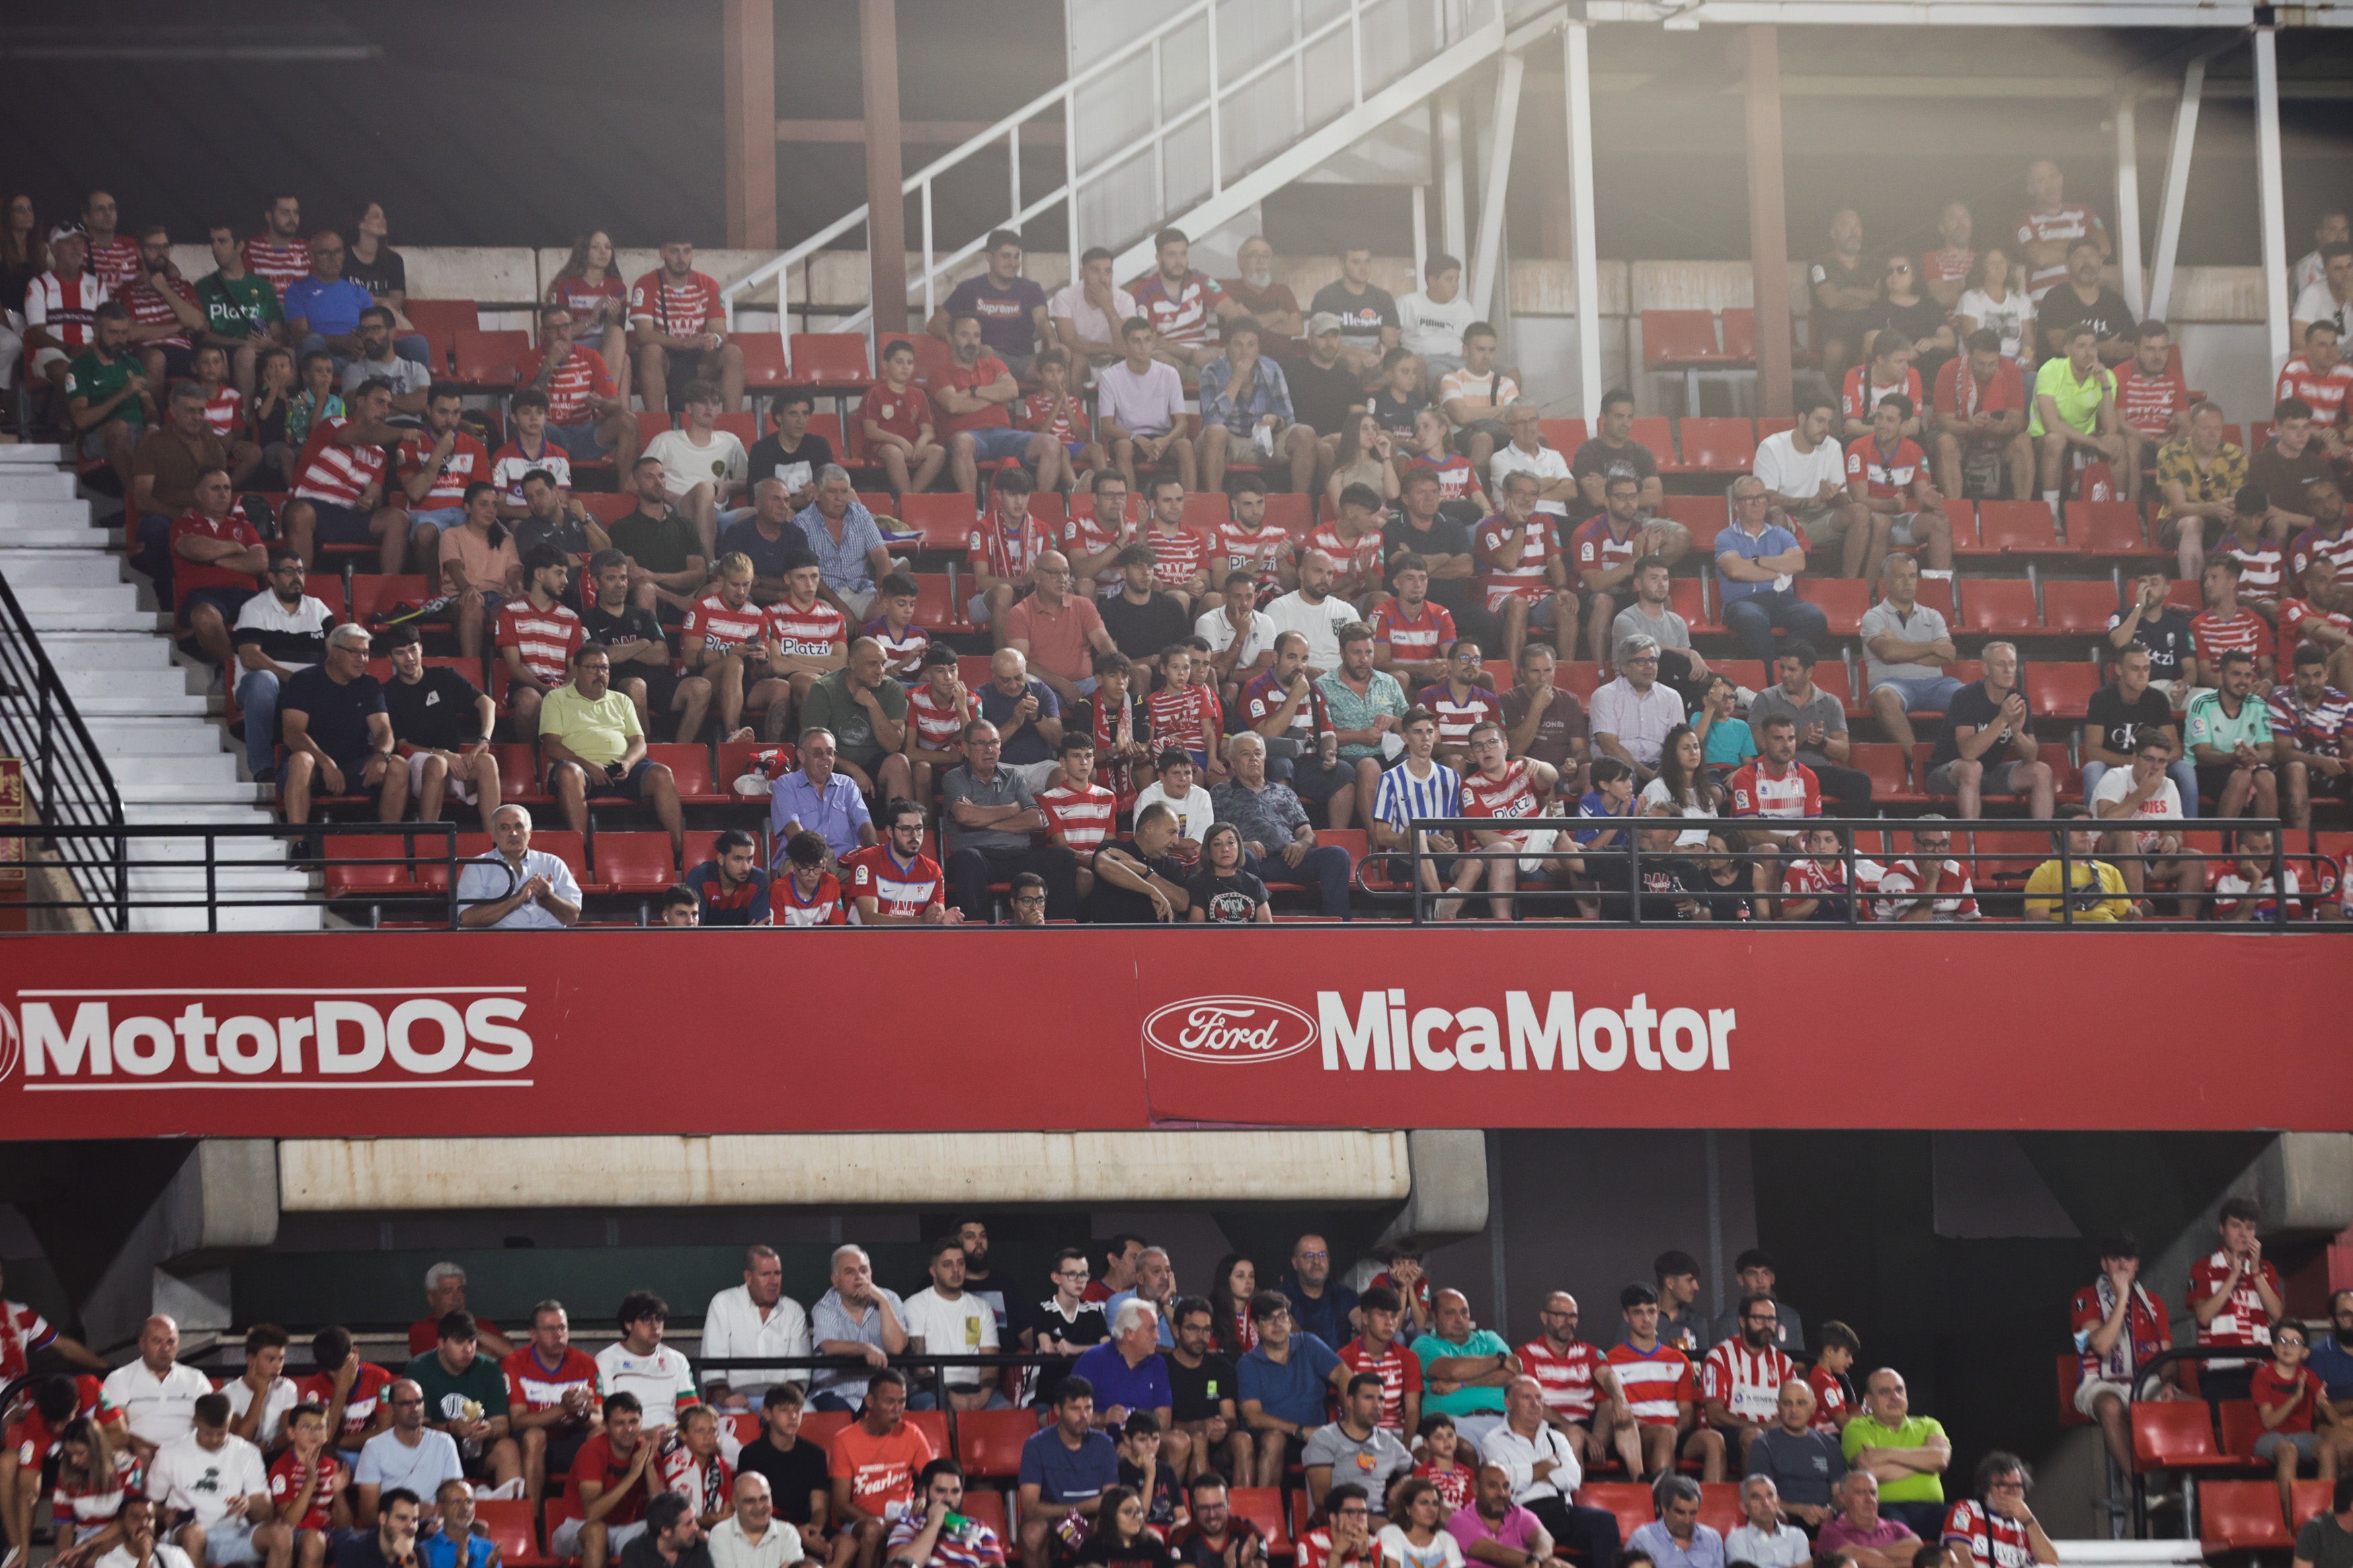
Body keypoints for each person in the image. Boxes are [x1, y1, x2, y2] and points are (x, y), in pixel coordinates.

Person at [543, 643, 686, 863]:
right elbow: (551, 746)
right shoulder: (556, 699)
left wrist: (628, 763)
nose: (600, 674)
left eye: (605, 668)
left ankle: (679, 853)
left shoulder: (622, 700)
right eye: (593, 668)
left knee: (662, 773)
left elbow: (640, 742)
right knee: (569, 773)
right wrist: (588, 765)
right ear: (577, 671)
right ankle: (585, 856)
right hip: (580, 769)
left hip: (621, 768)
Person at [1211, 733, 1353, 917]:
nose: (1254, 758)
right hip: (1252, 861)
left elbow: (1308, 834)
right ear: (1232, 762)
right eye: (1245, 754)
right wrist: (1241, 845)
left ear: (1265, 757)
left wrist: (1302, 844)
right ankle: (1250, 928)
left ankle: (1340, 928)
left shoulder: (1285, 793)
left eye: (1258, 753)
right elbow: (1215, 835)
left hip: (1289, 859)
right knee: (1243, 857)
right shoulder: (1221, 793)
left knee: (1337, 855)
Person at [936, 313, 1065, 497]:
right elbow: (953, 405)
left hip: (1004, 435)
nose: (972, 341)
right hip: (970, 437)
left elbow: (1012, 390)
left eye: (976, 335)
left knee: (1051, 443)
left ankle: (1037, 508)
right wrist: (994, 395)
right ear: (950, 338)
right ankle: (971, 511)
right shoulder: (941, 371)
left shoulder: (995, 364)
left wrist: (972, 392)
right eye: (964, 335)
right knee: (962, 442)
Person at [1919, 642, 2052, 819]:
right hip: (1946, 773)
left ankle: (2044, 842)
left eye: (2012, 664)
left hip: (1990, 773)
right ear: (1986, 669)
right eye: (2001, 664)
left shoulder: (2019, 699)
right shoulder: (1966, 697)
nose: (2008, 670)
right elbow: (1968, 753)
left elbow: (2031, 757)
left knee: (2042, 771)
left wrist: (2017, 733)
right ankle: (1972, 842)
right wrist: (2002, 719)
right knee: (1972, 768)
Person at [381, 626, 499, 825]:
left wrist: (484, 739)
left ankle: (495, 844)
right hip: (415, 766)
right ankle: (427, 843)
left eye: (413, 650)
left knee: (487, 762)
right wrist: (443, 754)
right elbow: (404, 746)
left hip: (451, 762)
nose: (409, 658)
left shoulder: (444, 676)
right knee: (437, 763)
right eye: (400, 653)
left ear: (421, 649)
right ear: (390, 658)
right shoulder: (388, 692)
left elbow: (487, 703)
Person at [1607, 1285, 1716, 1483]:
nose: (1646, 1319)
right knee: (1664, 1432)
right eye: (1638, 1313)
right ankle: (1664, 1502)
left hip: (1675, 1432)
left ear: (1658, 1313)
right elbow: (1607, 1410)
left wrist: (1675, 1431)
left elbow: (1686, 1412)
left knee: (1714, 1441)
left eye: (1651, 1311)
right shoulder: (1611, 1361)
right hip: (1637, 1436)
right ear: (1626, 1317)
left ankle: (1711, 1513)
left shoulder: (1678, 1360)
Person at [1714, 481, 1830, 667]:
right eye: (1749, 498)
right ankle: (1773, 679)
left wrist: (1757, 561)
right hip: (1743, 601)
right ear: (1736, 503)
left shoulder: (1781, 534)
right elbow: (1735, 570)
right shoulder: (1726, 537)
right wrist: (1778, 568)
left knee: (1815, 618)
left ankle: (1784, 665)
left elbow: (1798, 563)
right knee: (1753, 618)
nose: (1756, 503)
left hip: (1781, 599)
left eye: (1761, 497)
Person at [1199, 320, 1314, 495]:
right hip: (1229, 443)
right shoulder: (1212, 371)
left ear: (1259, 348)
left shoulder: (1272, 368)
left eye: (1251, 345)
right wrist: (1236, 379)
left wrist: (1276, 422)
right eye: (1238, 345)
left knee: (1305, 434)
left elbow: (1288, 418)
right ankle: (1214, 504)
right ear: (1227, 347)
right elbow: (1210, 422)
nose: (1245, 352)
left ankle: (1297, 505)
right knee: (1216, 432)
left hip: (1263, 440)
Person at [629, 238, 741, 413]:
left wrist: (714, 339)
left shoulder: (708, 284)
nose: (681, 258)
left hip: (697, 355)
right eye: (674, 251)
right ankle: (657, 426)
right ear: (662, 252)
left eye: (687, 251)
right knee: (651, 352)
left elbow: (721, 332)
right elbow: (644, 335)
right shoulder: (646, 283)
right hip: (663, 357)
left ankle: (733, 429)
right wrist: (684, 343)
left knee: (734, 353)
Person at [1016, 1379, 1119, 1568]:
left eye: (1088, 1408)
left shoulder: (1105, 1444)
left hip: (1093, 1519)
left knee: (1107, 1527)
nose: (1084, 1416)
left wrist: (1083, 1512)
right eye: (1075, 1409)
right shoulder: (1036, 1446)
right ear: (1058, 1410)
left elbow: (1111, 1502)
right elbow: (1030, 1508)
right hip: (1052, 1520)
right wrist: (1082, 1508)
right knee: (1032, 1532)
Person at [552, 1393, 659, 1568]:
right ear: (606, 1426)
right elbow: (593, 1514)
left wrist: (649, 1466)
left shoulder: (645, 1450)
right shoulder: (592, 1450)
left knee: (665, 1530)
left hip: (622, 1530)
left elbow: (662, 1508)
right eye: (619, 1423)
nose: (629, 1429)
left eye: (633, 1421)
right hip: (577, 1528)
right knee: (597, 1530)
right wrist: (633, 1474)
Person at [1837, 1373, 1949, 1539]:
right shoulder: (1856, 1428)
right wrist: (1924, 1461)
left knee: (1963, 1522)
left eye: (1899, 1390)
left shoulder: (1929, 1425)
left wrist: (1887, 1453)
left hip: (1932, 1508)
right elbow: (1869, 1471)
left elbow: (1940, 1460)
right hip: (1884, 1507)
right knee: (1895, 1530)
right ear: (1868, 1400)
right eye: (1885, 1392)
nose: (1894, 1397)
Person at [2030, 323, 2123, 511]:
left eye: (2093, 346)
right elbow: (2052, 424)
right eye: (2081, 346)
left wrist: (2105, 384)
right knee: (2056, 440)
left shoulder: (2107, 376)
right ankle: (2051, 513)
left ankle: (2119, 511)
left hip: (2083, 441)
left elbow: (2111, 428)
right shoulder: (2051, 370)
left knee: (2117, 441)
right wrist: (2094, 442)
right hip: (2044, 440)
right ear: (2067, 350)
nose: (2089, 353)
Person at [929, 229, 1049, 376]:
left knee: (1055, 364)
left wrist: (1053, 342)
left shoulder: (1032, 289)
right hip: (987, 358)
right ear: (990, 257)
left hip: (1026, 360)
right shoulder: (969, 289)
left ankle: (1061, 400)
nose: (1013, 263)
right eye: (1006, 256)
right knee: (988, 357)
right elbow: (934, 325)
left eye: (1016, 257)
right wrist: (966, 342)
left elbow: (1042, 321)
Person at [2156, 403, 2249, 583]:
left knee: (2243, 522)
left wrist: (2231, 512)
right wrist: (2213, 508)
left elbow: (2239, 500)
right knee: (2194, 523)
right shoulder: (2170, 454)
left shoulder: (2236, 456)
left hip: (2220, 521)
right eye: (2206, 428)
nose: (2213, 435)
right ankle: (2193, 594)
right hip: (2176, 524)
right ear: (2192, 429)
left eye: (2217, 429)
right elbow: (2178, 507)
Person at [734, 1387, 831, 1559]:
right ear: (767, 1413)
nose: (793, 1416)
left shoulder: (815, 1454)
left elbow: (819, 1506)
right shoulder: (751, 1454)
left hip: (807, 1526)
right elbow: (751, 1510)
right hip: (769, 1529)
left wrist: (813, 1531)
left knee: (848, 1543)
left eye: (797, 1410)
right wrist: (795, 1532)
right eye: (784, 1410)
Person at [454, 804, 582, 930]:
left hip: (551, 942)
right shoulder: (478, 866)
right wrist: (515, 900)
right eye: (504, 828)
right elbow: (467, 919)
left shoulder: (553, 863)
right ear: (493, 835)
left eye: (519, 826)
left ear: (530, 832)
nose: (513, 833)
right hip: (499, 944)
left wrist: (548, 897)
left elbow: (572, 918)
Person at [1302, 1376, 1412, 1513]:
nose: (1377, 1406)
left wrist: (1406, 1480)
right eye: (1368, 1398)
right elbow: (1322, 1501)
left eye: (1381, 1399)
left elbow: (1422, 1470)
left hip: (1379, 1517)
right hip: (1338, 1520)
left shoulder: (1387, 1440)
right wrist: (1367, 1520)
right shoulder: (1324, 1439)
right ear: (1351, 1402)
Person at [841, 798, 957, 927]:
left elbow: (934, 916)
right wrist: (920, 921)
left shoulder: (933, 871)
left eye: (919, 829)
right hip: (865, 942)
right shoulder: (867, 860)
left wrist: (942, 920)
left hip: (910, 943)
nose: (914, 836)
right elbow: (869, 919)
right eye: (906, 829)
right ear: (890, 832)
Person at [1745, 1383, 1844, 1528]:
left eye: (1801, 1403)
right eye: (1787, 1403)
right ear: (1778, 1407)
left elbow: (1839, 1494)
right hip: (1783, 1523)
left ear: (1813, 1406)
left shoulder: (1830, 1444)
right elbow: (1761, 1499)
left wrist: (1829, 1511)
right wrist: (1802, 1510)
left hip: (1828, 1521)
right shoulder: (1763, 1444)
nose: (1794, 1410)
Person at [1590, 636, 1685, 786]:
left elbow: (1678, 742)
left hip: (1659, 765)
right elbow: (1609, 746)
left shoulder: (1671, 697)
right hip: (1618, 765)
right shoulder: (1605, 695)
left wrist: (1662, 771)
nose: (1649, 666)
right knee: (1623, 780)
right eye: (1641, 661)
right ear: (1624, 668)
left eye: (1653, 660)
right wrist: (1647, 774)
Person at [2022, 806, 2136, 922]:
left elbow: (2124, 918)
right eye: (2078, 827)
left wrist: (2133, 914)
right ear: (2059, 831)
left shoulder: (2111, 872)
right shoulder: (2044, 873)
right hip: (2068, 937)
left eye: (2088, 827)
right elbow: (2039, 921)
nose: (2085, 833)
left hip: (2109, 936)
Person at [884, 1458, 1004, 1568]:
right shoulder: (908, 1526)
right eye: (941, 1491)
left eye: (955, 1492)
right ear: (925, 1491)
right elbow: (900, 1565)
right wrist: (933, 1526)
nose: (948, 1499)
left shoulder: (979, 1529)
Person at [1939, 1455, 2055, 1568]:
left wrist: (2028, 1519)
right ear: (1985, 1489)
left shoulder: (2025, 1526)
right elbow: (1960, 1556)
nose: (2012, 1492)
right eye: (2002, 1485)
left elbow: (2050, 1563)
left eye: (2017, 1485)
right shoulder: (1966, 1510)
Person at [281, 233, 375, 368]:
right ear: (311, 257)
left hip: (357, 356)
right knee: (312, 342)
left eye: (337, 252)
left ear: (343, 255)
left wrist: (366, 344)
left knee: (414, 344)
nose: (333, 258)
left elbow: (373, 328)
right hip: (321, 358)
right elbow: (300, 337)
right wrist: (340, 341)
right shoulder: (297, 291)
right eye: (324, 253)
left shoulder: (359, 292)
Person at [1816, 1475, 1917, 1568]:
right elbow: (1856, 1557)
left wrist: (1866, 1553)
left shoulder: (1896, 1527)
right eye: (1860, 1493)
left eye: (1873, 1493)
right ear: (1843, 1499)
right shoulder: (1831, 1531)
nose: (1869, 1499)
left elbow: (1918, 1551)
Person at [709, 1475, 803, 1568]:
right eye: (750, 1501)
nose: (759, 1507)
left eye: (764, 1498)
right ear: (735, 1503)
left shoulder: (788, 1534)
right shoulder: (720, 1533)